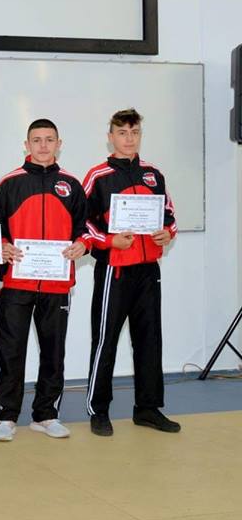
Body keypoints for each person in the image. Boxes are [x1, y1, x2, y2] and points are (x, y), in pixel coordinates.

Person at [82, 108, 180, 435]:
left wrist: (167, 233)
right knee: (105, 340)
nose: (129, 139)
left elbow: (169, 214)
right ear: (110, 137)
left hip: (148, 270)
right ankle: (99, 410)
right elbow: (82, 223)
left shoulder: (154, 174)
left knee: (149, 340)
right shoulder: (97, 176)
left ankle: (148, 409)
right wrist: (110, 241)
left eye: (134, 132)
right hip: (115, 271)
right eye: (122, 133)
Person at [0, 119, 88, 442]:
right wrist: (2, 246)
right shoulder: (9, 183)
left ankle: (46, 415)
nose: (43, 145)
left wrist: (82, 244)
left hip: (57, 285)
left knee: (53, 352)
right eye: (37, 140)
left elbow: (84, 229)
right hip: (16, 284)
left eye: (49, 139)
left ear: (59, 143)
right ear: (26, 145)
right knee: (11, 351)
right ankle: (6, 416)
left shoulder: (72, 185)